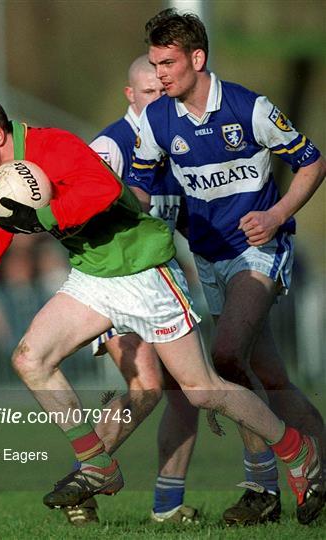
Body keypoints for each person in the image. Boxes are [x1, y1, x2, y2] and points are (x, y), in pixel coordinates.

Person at [0, 93, 321, 528]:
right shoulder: (1, 166)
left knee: (200, 389)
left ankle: (298, 449)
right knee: (30, 359)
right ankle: (95, 463)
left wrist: (49, 216)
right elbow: (2, 214)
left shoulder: (55, 146)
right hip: (93, 277)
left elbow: (104, 190)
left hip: (144, 273)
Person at [128, 9, 326, 526]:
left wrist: (279, 212)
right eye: (154, 64)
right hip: (210, 257)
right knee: (268, 375)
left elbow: (313, 160)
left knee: (225, 354)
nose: (160, 74)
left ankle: (265, 485)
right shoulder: (158, 119)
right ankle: (313, 471)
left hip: (260, 250)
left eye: (168, 63)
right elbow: (140, 188)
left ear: (198, 58)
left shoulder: (249, 107)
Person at [62, 54, 198, 526]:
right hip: (117, 284)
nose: (160, 100)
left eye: (164, 92)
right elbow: (79, 210)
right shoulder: (111, 145)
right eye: (149, 93)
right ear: (130, 95)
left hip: (159, 284)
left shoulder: (173, 143)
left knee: (186, 392)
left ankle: (167, 505)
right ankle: (83, 482)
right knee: (146, 389)